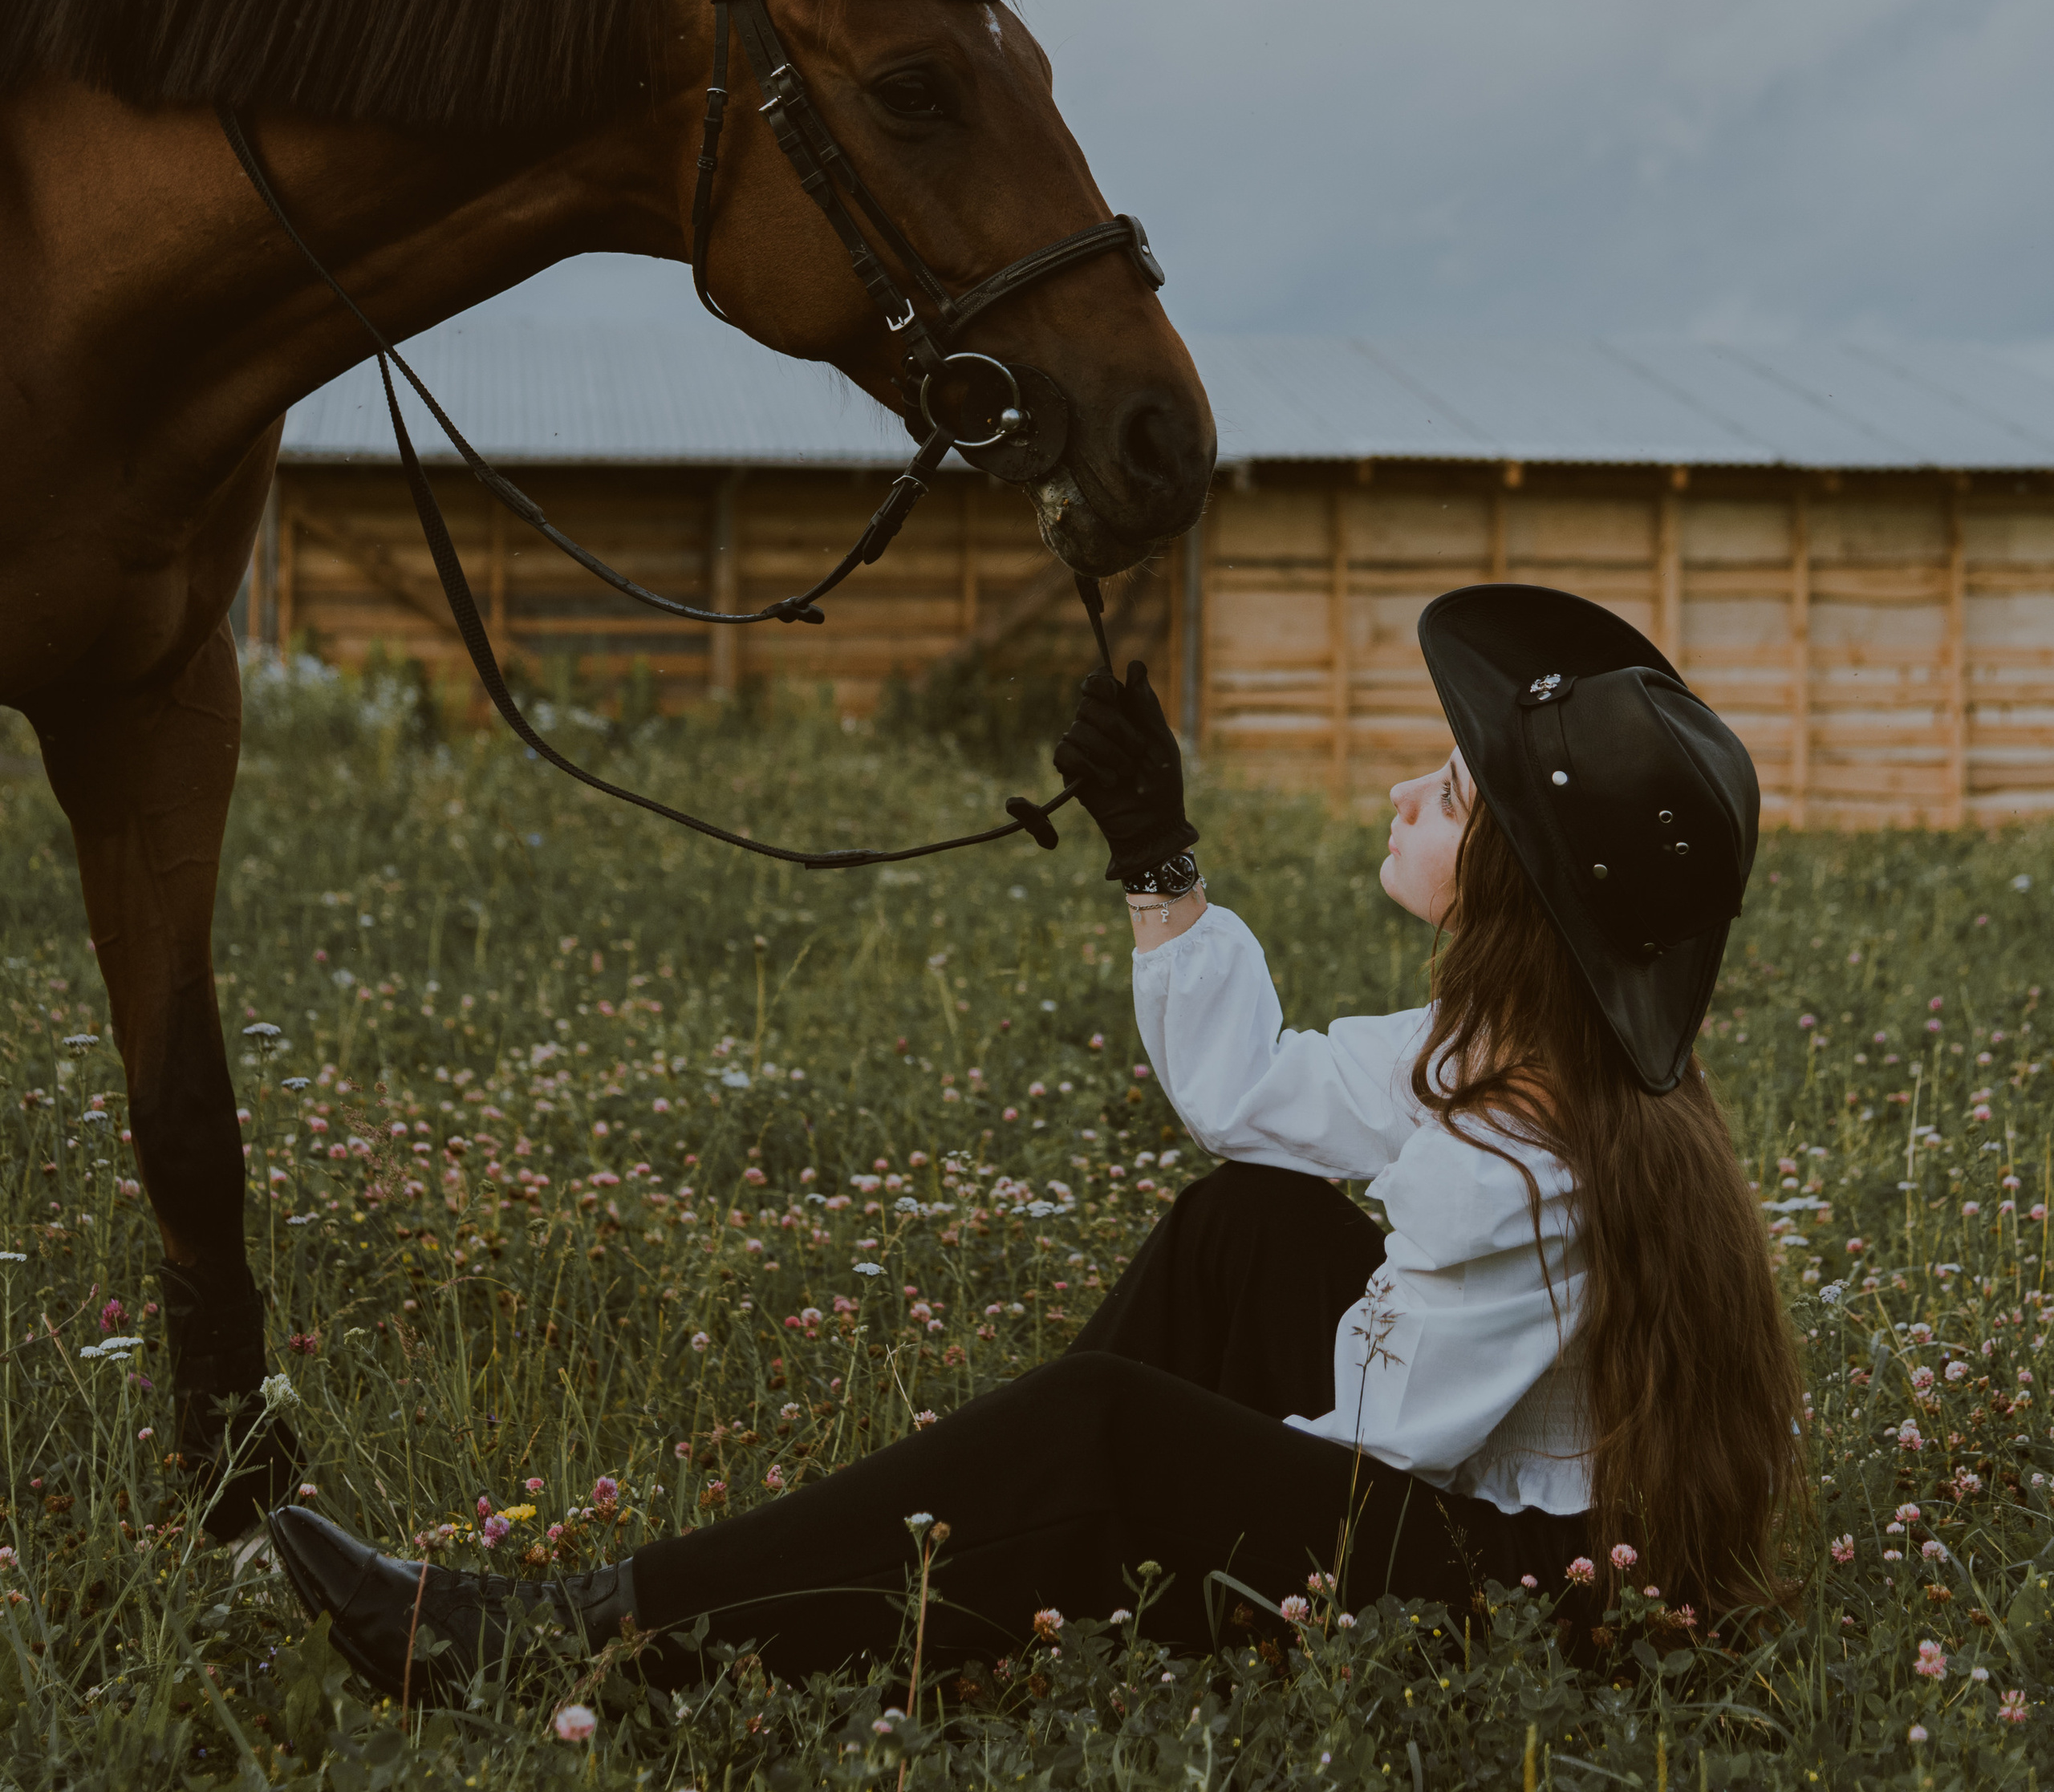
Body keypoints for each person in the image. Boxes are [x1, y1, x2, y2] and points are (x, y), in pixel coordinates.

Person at [268, 584, 1804, 1702]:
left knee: (1099, 1424)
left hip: (1529, 1615)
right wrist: (1157, 856)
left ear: (1522, 882)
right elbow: (1249, 1095)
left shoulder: (1517, 1166)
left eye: (1451, 793)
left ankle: (578, 1637)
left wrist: (1131, 1469)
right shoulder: (1513, 1055)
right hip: (1479, 1533)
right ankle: (985, 1562)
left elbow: (1373, 1458)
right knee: (1244, 1221)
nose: (1406, 792)